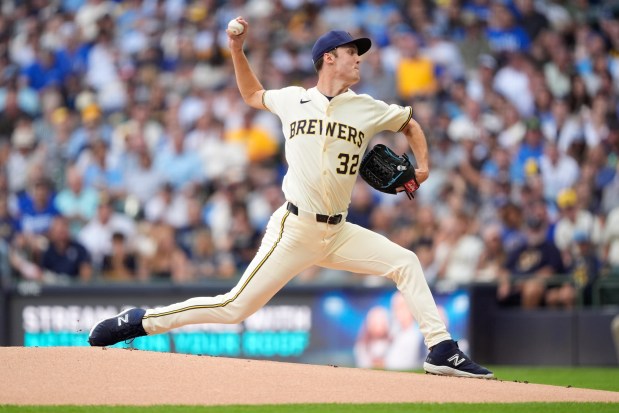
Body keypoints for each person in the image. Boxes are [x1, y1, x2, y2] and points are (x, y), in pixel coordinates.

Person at [88, 19, 493, 379]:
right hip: (294, 228)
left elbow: (409, 122)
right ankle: (140, 321)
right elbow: (251, 95)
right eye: (352, 52)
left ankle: (441, 349)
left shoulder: (367, 108)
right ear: (329, 58)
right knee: (234, 308)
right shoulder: (292, 99)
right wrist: (236, 50)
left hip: (339, 231)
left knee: (406, 262)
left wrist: (422, 166)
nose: (359, 59)